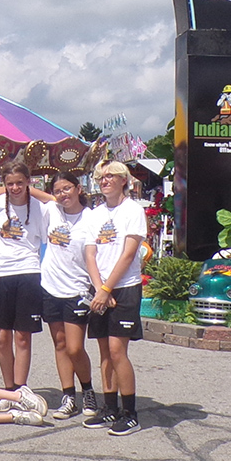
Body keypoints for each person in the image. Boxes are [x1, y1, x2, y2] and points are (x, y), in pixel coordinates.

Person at [83, 161, 147, 436]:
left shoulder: (133, 211)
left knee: (118, 350)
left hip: (124, 288)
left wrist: (108, 289)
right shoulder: (94, 214)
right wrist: (99, 288)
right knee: (104, 352)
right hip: (100, 289)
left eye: (111, 176)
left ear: (124, 180)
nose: (105, 180)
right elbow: (90, 253)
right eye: (101, 177)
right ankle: (108, 406)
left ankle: (129, 412)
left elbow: (129, 254)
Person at [0, 163, 45, 410]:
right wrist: (3, 189)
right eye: (10, 183)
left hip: (29, 272)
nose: (15, 188)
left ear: (28, 181)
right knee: (1, 336)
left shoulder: (41, 209)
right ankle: (8, 390)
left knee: (22, 336)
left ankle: (21, 390)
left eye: (20, 182)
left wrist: (37, 193)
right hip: (0, 273)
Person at [41, 173, 98, 421]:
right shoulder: (52, 210)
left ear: (78, 188)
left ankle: (88, 390)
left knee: (75, 348)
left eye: (67, 188)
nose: (63, 194)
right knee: (60, 344)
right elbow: (26, 190)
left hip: (78, 289)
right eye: (58, 190)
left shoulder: (92, 218)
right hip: (50, 286)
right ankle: (68, 396)